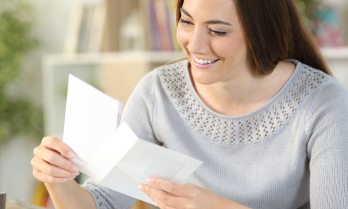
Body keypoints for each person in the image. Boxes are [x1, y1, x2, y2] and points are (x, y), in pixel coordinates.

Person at [31, 0, 348, 208]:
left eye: (217, 30)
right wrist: (57, 179)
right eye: (186, 21)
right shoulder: (158, 93)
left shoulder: (322, 103)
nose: (194, 45)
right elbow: (105, 202)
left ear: (260, 33)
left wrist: (214, 205)